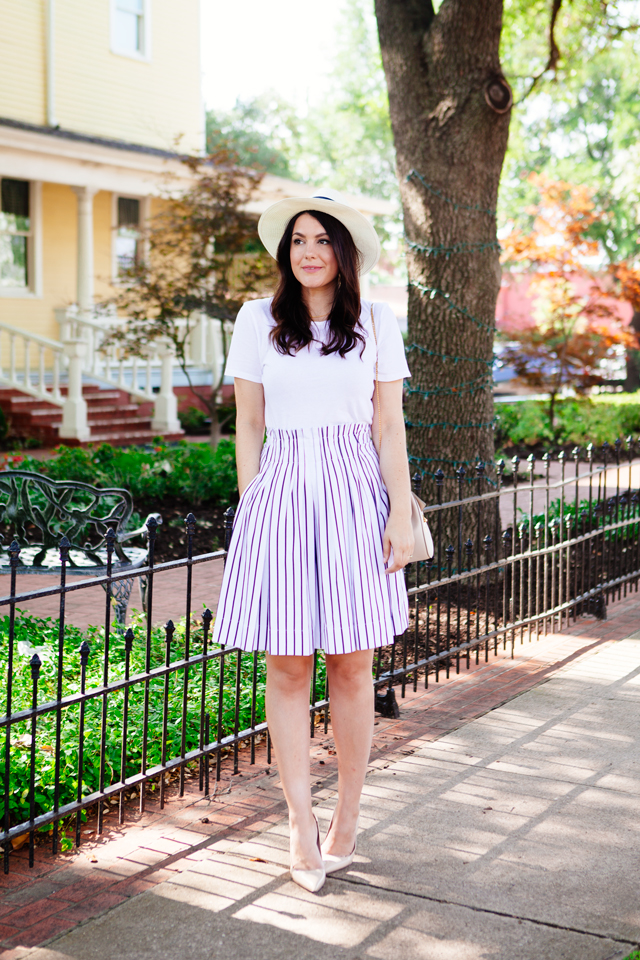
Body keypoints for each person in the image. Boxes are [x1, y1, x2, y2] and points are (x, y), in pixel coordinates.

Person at [212, 190, 413, 893]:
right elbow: (249, 427)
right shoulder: (257, 320)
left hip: (358, 494)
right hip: (284, 495)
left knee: (354, 666)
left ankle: (347, 818)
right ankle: (299, 824)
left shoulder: (378, 322)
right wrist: (252, 509)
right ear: (285, 251)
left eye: (322, 239)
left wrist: (398, 511)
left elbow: (389, 428)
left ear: (344, 251)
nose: (308, 250)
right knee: (289, 667)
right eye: (297, 239)